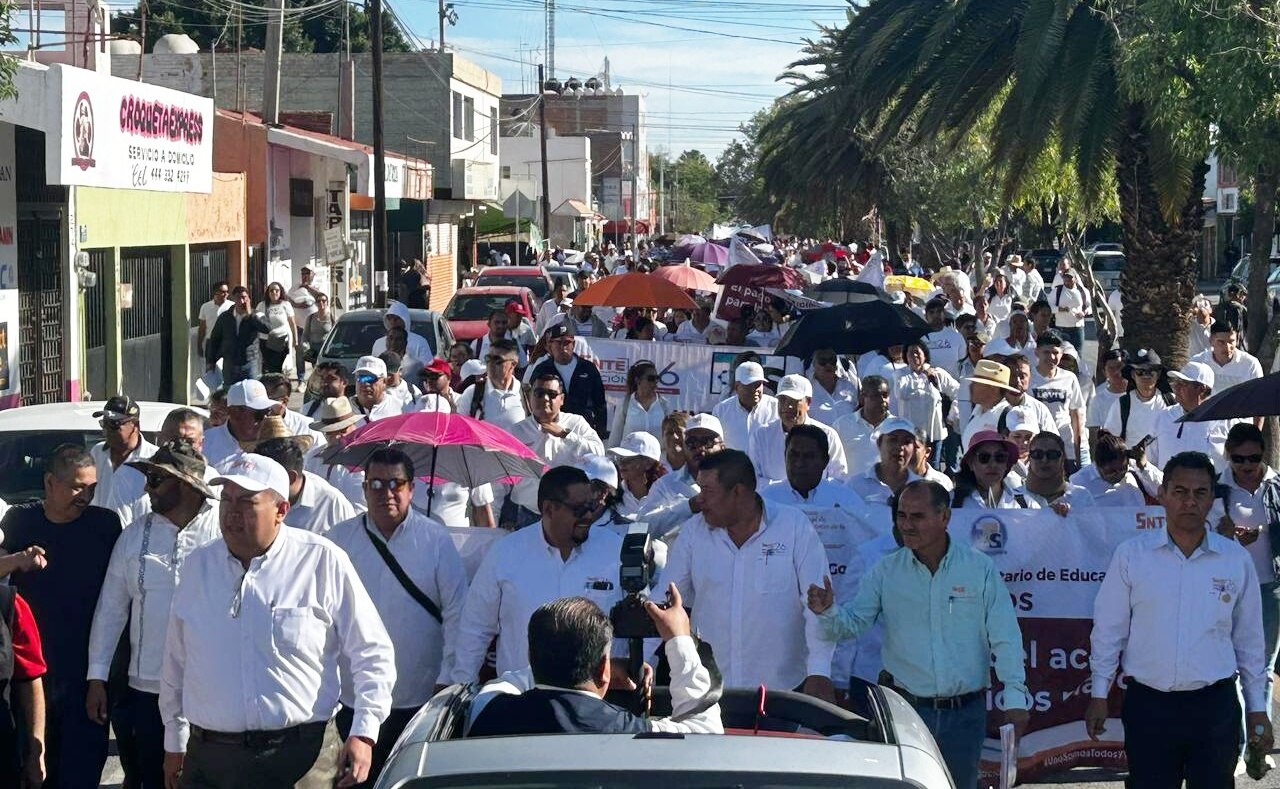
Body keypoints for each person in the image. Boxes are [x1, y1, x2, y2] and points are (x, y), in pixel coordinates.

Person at [159, 453, 396, 789]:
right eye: (226, 499)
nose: (232, 512)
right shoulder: (199, 567)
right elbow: (175, 662)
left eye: (247, 501)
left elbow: (372, 652)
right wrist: (174, 740)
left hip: (302, 760)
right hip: (211, 761)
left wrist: (365, 733)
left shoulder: (321, 561)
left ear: (281, 510)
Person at [807, 479, 1030, 789]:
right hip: (905, 713)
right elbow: (852, 625)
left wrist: (1016, 696)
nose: (907, 525)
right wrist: (827, 611)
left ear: (944, 518)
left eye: (917, 516)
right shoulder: (885, 571)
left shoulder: (978, 569)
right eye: (902, 516)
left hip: (965, 717)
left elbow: (1005, 636)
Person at [1085, 452, 1272, 786]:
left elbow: (1250, 642)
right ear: (1162, 495)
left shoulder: (1234, 560)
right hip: (1150, 707)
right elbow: (1109, 629)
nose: (1190, 501)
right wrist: (1099, 692)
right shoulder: (1132, 555)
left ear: (1212, 497)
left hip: (1214, 708)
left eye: (1200, 492)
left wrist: (1257, 706)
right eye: (1180, 491)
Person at [326, 448, 468, 786]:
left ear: (411, 489)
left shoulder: (435, 539)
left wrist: (449, 677)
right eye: (375, 484)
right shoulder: (338, 541)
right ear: (363, 489)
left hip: (418, 696)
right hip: (353, 699)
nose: (385, 493)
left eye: (395, 484)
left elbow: (457, 614)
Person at [86, 441, 220, 789]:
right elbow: (111, 610)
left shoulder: (222, 533)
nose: (147, 487)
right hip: (146, 689)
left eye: (157, 479)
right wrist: (97, 677)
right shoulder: (133, 536)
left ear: (186, 485)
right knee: (148, 777)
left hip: (210, 692)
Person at [659, 450, 835, 698]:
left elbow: (818, 605)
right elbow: (665, 605)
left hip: (783, 691)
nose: (700, 501)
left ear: (738, 492)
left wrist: (819, 671)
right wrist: (647, 662)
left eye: (708, 491)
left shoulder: (794, 527)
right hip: (708, 692)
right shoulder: (692, 534)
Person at [0, 444, 121, 787]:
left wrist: (104, 675)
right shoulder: (20, 521)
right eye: (77, 487)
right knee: (30, 770)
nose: (85, 496)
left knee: (80, 772)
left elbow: (119, 599)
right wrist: (18, 559)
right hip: (27, 676)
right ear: (50, 482)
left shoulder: (105, 525)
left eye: (92, 488)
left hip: (84, 674)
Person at [450, 467, 626, 683]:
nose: (589, 516)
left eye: (591, 506)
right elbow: (475, 628)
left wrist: (638, 668)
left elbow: (640, 618)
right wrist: (461, 686)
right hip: (520, 699)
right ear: (549, 509)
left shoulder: (615, 551)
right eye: (579, 510)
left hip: (594, 703)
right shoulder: (505, 553)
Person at [467, 591, 723, 736]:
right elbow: (705, 734)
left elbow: (506, 683)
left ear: (531, 657)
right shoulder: (627, 732)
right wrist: (679, 639)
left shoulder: (487, 711)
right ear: (604, 669)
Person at [1211, 423, 1280, 691]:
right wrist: (1224, 534)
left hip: (1269, 587)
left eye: (1253, 458)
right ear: (1228, 455)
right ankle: (1240, 731)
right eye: (1239, 458)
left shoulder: (1276, 486)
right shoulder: (1216, 488)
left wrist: (1261, 531)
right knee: (1231, 666)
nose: (1247, 465)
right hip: (1227, 587)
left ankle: (1259, 730)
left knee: (1263, 667)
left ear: (1263, 454)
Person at [748, 374, 849, 485]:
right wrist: (787, 491)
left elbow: (839, 479)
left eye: (794, 401)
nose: (788, 406)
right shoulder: (761, 436)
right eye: (783, 400)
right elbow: (753, 479)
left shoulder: (828, 436)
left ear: (808, 403)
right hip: (772, 502)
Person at [255, 435, 359, 535]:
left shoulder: (332, 504)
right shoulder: (250, 495)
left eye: (267, 477)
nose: (259, 483)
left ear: (290, 478)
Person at [848, 417, 952, 504]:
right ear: (879, 443)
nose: (900, 447)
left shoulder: (924, 488)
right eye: (893, 440)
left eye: (907, 442)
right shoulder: (855, 486)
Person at [529, 324, 609, 437]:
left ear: (573, 344)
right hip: (551, 429)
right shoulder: (542, 369)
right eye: (558, 343)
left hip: (582, 428)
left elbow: (599, 403)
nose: (563, 347)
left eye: (566, 343)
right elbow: (532, 399)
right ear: (550, 345)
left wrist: (601, 432)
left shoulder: (588, 368)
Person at [1148, 361, 1228, 472]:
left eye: (1183, 383)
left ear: (1202, 389)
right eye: (1176, 382)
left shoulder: (1224, 421)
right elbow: (1150, 461)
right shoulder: (1164, 417)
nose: (1175, 387)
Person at [89, 395, 158, 519]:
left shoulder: (154, 458)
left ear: (135, 425)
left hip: (138, 535)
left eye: (114, 424)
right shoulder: (97, 453)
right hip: (98, 534)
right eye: (104, 423)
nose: (106, 430)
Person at [1029, 332, 1086, 464]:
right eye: (1046, 352)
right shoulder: (1029, 377)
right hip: (1037, 449)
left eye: (1055, 352)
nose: (1051, 357)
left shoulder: (1070, 378)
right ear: (1037, 352)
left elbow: (1075, 415)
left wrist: (1077, 451)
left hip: (1066, 448)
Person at [893, 342, 958, 455]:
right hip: (910, 437)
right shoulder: (900, 375)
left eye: (917, 352)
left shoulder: (937, 373)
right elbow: (901, 393)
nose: (914, 356)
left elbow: (958, 392)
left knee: (933, 470)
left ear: (925, 355)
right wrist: (922, 376)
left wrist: (953, 414)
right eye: (910, 353)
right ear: (906, 357)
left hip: (934, 435)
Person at [1102, 348, 1172, 446]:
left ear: (1158, 374)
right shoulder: (1122, 404)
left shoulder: (1172, 402)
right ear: (1133, 375)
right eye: (1140, 372)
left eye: (1150, 371)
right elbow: (1110, 442)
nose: (1145, 376)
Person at [953, 431, 1040, 509]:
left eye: (1000, 457)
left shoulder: (1026, 504)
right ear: (971, 464)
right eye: (984, 457)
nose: (993, 464)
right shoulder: (951, 502)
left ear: (1007, 464)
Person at [1069, 433, 1159, 507]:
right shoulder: (1078, 483)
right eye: (1111, 472)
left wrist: (1145, 467)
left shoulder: (1136, 468)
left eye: (1123, 469)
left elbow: (1163, 490)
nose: (1118, 474)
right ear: (1098, 466)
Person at [207, 286, 271, 385]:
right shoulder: (225, 317)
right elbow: (215, 339)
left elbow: (267, 329)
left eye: (244, 297)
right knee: (229, 393)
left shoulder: (256, 315)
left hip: (249, 362)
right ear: (233, 299)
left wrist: (251, 315)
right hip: (230, 363)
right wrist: (211, 361)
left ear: (248, 299)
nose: (241, 301)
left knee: (251, 393)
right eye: (238, 298)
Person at [203, 379, 275, 468]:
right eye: (259, 413)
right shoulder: (205, 444)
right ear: (233, 412)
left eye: (267, 411)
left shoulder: (276, 443)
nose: (265, 418)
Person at [833, 375, 894, 477]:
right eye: (876, 395)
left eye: (885, 395)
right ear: (862, 398)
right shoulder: (841, 425)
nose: (882, 400)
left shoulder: (898, 427)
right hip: (851, 490)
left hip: (887, 491)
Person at [711, 360, 779, 452]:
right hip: (734, 465)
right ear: (736, 386)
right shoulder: (721, 410)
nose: (754, 389)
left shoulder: (776, 407)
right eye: (749, 385)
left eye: (758, 384)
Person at [1021, 432, 1095, 513]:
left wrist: (1069, 517)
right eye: (1037, 454)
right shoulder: (1013, 498)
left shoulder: (1081, 497)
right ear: (1029, 457)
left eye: (1052, 455)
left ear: (1063, 457)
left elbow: (1093, 525)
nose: (1044, 460)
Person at [609, 361, 671, 448]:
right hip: (630, 459)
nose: (655, 382)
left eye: (657, 378)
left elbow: (671, 438)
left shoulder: (664, 405)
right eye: (651, 378)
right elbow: (615, 437)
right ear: (638, 380)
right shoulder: (624, 404)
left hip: (657, 460)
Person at [958, 359, 1017, 450]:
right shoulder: (977, 411)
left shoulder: (1007, 415)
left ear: (993, 388)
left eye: (976, 383)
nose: (970, 386)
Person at [1192, 321, 1264, 396]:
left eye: (1231, 341)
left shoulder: (1250, 364)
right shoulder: (1197, 362)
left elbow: (1257, 395)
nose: (1227, 347)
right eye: (1221, 342)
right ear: (1211, 340)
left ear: (1237, 340)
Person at [608, 432, 665, 520]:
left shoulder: (668, 494)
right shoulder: (612, 496)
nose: (621, 463)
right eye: (619, 458)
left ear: (648, 463)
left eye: (627, 458)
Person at [260, 373, 325, 444]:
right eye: (259, 400)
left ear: (284, 401)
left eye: (269, 400)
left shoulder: (306, 427)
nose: (262, 405)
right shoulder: (249, 424)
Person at [1086, 349, 1129, 456]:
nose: (1116, 372)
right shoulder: (1098, 399)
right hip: (1111, 456)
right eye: (1111, 368)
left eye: (1120, 367)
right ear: (1105, 372)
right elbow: (1093, 436)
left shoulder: (1138, 395)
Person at [289, 268, 324, 382]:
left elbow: (321, 297)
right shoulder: (295, 287)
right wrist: (297, 305)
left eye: (308, 273)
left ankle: (317, 376)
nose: (305, 276)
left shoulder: (317, 286)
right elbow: (288, 299)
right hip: (299, 326)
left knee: (315, 351)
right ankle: (301, 378)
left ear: (313, 274)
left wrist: (308, 287)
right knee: (300, 353)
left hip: (314, 326)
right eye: (303, 273)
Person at [256, 282, 297, 376]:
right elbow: (256, 322)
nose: (274, 292)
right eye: (271, 290)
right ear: (268, 292)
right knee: (267, 368)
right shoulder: (262, 305)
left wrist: (295, 340)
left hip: (281, 340)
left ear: (280, 292)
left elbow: (292, 323)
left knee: (278, 368)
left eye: (277, 290)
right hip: (265, 341)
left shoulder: (286, 305)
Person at [808, 349, 859, 423]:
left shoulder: (849, 387)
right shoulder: (808, 389)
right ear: (814, 364)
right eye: (823, 361)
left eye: (832, 361)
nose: (828, 365)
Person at [351, 356, 406, 422]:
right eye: (360, 377)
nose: (365, 383)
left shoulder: (401, 409)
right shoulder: (345, 411)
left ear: (385, 381)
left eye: (371, 378)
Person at [921, 297, 965, 376]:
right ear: (926, 316)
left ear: (944, 314)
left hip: (954, 385)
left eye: (939, 311)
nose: (935, 315)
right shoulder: (920, 339)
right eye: (931, 312)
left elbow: (963, 363)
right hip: (929, 384)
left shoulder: (956, 336)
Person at [1047, 268, 1088, 351]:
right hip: (1061, 328)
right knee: (1061, 353)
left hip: (1077, 328)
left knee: (1077, 355)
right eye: (1065, 277)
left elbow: (1089, 306)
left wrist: (1083, 313)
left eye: (1070, 277)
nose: (1067, 279)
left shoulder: (1082, 291)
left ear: (1075, 279)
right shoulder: (1057, 291)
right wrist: (1059, 309)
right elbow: (1048, 307)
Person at [197, 281, 232, 361]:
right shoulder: (205, 307)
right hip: (211, 342)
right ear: (215, 292)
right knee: (210, 368)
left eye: (227, 292)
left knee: (227, 369)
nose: (226, 294)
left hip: (227, 342)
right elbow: (202, 328)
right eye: (223, 292)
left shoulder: (232, 306)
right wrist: (199, 345)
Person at [303, 292, 337, 373]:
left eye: (323, 300)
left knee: (327, 372)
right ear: (316, 303)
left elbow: (337, 334)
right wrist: (305, 347)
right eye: (318, 301)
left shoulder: (332, 317)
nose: (321, 303)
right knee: (317, 372)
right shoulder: (311, 318)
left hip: (327, 350)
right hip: (314, 350)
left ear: (327, 303)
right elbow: (305, 335)